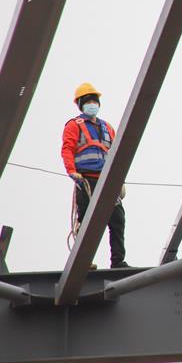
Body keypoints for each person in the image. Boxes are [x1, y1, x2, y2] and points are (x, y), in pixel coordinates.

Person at [61, 83, 129, 268]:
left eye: (94, 101)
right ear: (81, 104)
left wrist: (120, 179)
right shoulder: (74, 126)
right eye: (88, 101)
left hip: (107, 181)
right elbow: (67, 149)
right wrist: (72, 172)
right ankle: (82, 262)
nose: (92, 104)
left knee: (117, 219)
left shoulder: (107, 128)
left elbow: (116, 153)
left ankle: (118, 261)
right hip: (85, 180)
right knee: (85, 222)